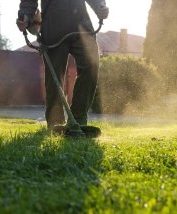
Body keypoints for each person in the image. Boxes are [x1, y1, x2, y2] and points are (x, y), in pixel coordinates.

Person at [17, 0, 109, 129]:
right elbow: (28, 2)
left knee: (91, 66)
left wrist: (100, 6)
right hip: (53, 26)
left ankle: (78, 119)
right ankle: (55, 123)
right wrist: (25, 16)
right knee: (54, 77)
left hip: (82, 24)